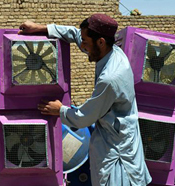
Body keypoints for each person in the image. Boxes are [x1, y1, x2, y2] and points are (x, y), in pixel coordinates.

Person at [19, 13, 152, 186]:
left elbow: (85, 117)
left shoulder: (111, 78)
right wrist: (41, 28)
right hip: (119, 141)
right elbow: (76, 34)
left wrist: (60, 110)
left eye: (86, 42)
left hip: (117, 157)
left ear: (101, 42)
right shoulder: (112, 51)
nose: (82, 45)